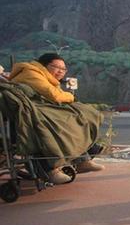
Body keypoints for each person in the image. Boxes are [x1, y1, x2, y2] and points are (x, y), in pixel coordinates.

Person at [9, 53, 105, 184]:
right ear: (44, 65)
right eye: (57, 67)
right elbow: (54, 95)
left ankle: (83, 159)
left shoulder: (47, 77)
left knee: (82, 114)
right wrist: (71, 98)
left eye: (64, 69)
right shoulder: (31, 73)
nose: (61, 71)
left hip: (41, 109)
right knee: (59, 123)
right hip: (31, 113)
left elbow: (57, 95)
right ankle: (53, 169)